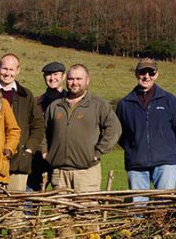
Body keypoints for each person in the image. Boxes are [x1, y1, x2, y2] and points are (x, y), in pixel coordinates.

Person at [116, 58, 176, 198]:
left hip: (166, 164)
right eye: (143, 72)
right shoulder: (125, 103)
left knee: (163, 207)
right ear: (136, 74)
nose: (146, 76)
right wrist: (133, 148)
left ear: (156, 74)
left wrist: (170, 152)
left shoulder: (169, 100)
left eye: (151, 72)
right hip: (136, 164)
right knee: (139, 209)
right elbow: (119, 133)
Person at [44, 64, 122, 192]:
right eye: (71, 79)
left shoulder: (98, 105)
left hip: (86, 173)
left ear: (87, 80)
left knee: (86, 210)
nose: (74, 83)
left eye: (78, 79)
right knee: (60, 210)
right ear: (66, 80)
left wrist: (97, 152)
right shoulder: (55, 106)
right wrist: (45, 151)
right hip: (60, 173)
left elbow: (114, 129)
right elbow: (42, 130)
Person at [0, 53, 44, 192]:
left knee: (15, 209)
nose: (7, 73)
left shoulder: (26, 95)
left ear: (18, 70)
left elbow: (38, 125)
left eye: (11, 69)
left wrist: (29, 149)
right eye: (4, 69)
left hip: (19, 161)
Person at [28, 61, 67, 192]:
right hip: (39, 157)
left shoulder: (72, 101)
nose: (52, 78)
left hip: (63, 156)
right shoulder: (36, 102)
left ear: (64, 76)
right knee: (31, 193)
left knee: (63, 194)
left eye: (56, 74)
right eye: (48, 75)